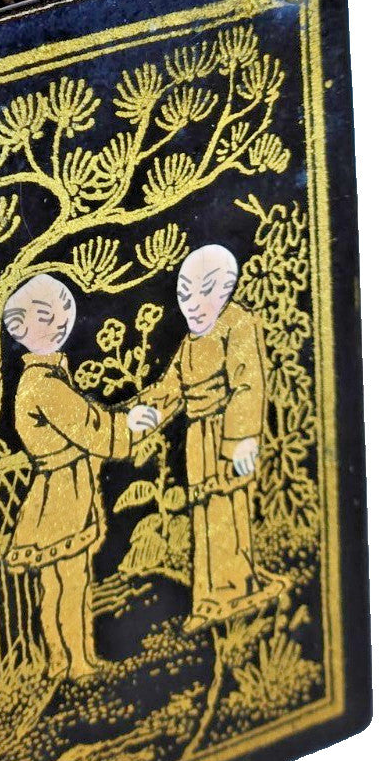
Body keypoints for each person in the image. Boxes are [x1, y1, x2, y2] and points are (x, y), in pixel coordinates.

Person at [3, 273, 158, 679]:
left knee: (59, 582)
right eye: (44, 316)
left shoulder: (48, 376)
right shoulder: (43, 384)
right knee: (69, 580)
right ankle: (74, 661)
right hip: (61, 493)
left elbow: (86, 422)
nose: (57, 322)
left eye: (63, 312)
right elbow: (90, 427)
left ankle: (65, 660)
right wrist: (130, 425)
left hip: (61, 487)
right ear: (18, 327)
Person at [142, 245, 270, 632]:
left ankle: (238, 584)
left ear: (227, 288)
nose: (193, 304)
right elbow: (171, 387)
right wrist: (147, 413)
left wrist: (243, 439)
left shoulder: (238, 323)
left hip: (227, 433)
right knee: (206, 511)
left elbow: (249, 383)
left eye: (206, 291)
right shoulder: (190, 342)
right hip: (199, 439)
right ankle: (210, 593)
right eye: (185, 294)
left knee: (231, 506)